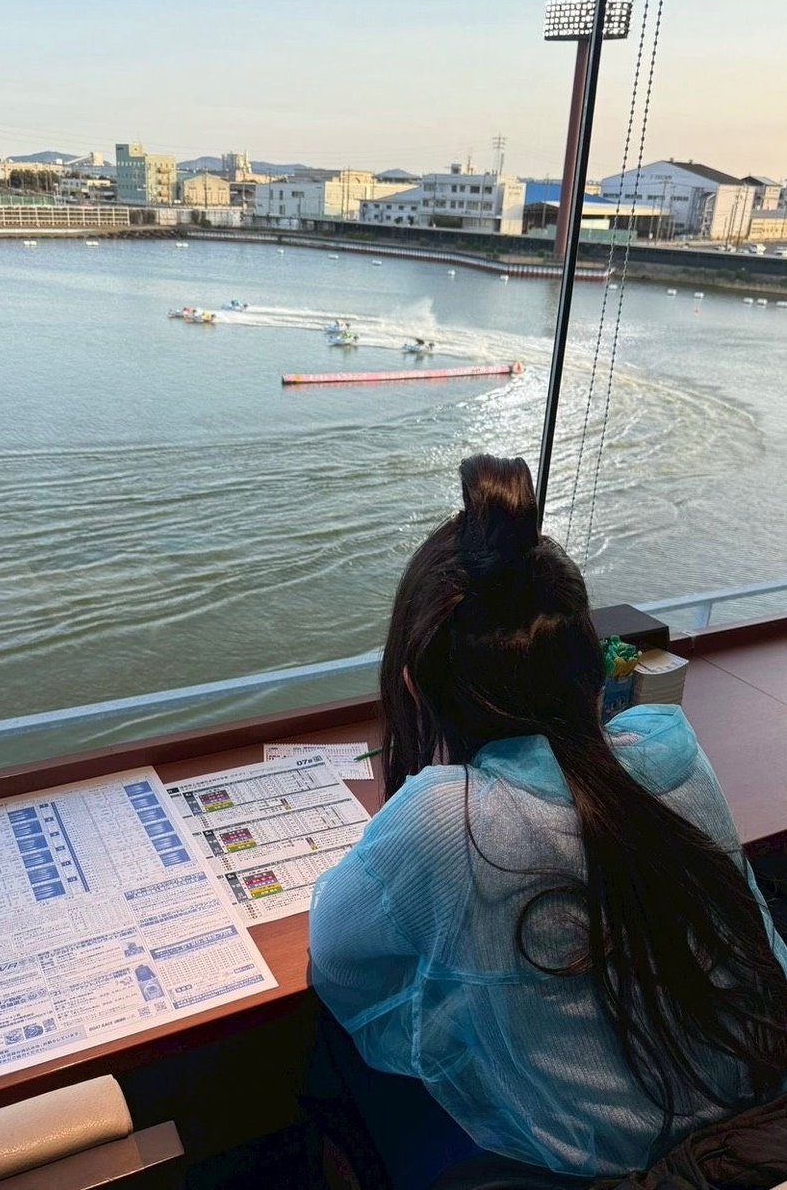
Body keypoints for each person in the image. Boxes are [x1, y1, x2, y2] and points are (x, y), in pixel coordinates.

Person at [308, 454, 787, 1190]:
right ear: (589, 669)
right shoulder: (668, 746)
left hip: (617, 1171)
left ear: (412, 685)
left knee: (328, 1048)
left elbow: (337, 961)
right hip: (759, 1122)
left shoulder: (445, 819)